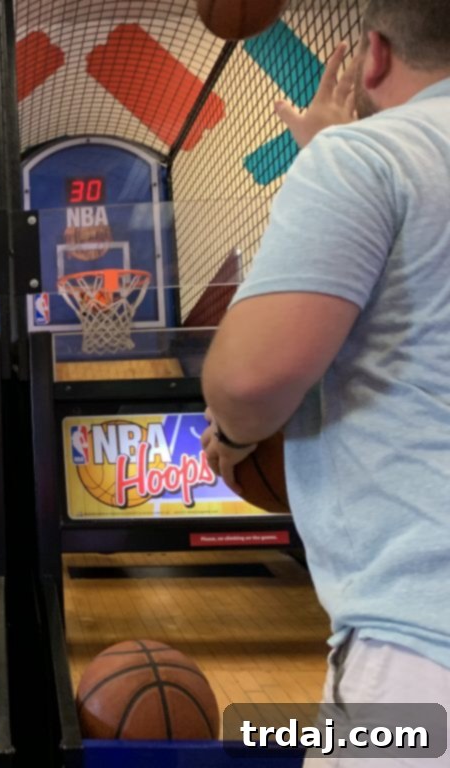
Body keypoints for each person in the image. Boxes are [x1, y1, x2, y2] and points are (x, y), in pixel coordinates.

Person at [201, 0, 450, 753]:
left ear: (372, 55)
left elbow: (248, 381)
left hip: (424, 641)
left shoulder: (371, 155)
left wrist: (236, 443)